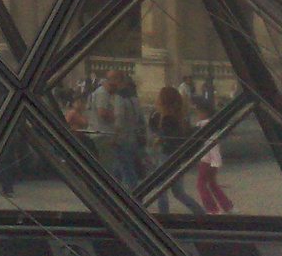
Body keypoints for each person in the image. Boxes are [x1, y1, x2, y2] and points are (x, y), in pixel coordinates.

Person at [148, 87, 204, 215]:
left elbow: (167, 137)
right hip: (176, 157)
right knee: (178, 192)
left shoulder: (166, 118)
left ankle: (164, 217)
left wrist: (159, 139)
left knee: (161, 190)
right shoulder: (180, 116)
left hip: (167, 156)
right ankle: (200, 213)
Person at [89, 69, 140, 189]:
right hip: (127, 136)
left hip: (118, 137)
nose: (107, 82)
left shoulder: (118, 97)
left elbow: (119, 120)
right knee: (120, 168)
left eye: (109, 79)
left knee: (122, 169)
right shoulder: (134, 98)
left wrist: (115, 137)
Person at [192, 99, 233, 214]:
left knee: (201, 185)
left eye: (198, 112)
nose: (197, 115)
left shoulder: (203, 125)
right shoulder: (213, 124)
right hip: (213, 158)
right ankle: (227, 206)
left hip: (206, 159)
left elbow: (209, 144)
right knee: (212, 183)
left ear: (204, 113)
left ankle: (212, 209)